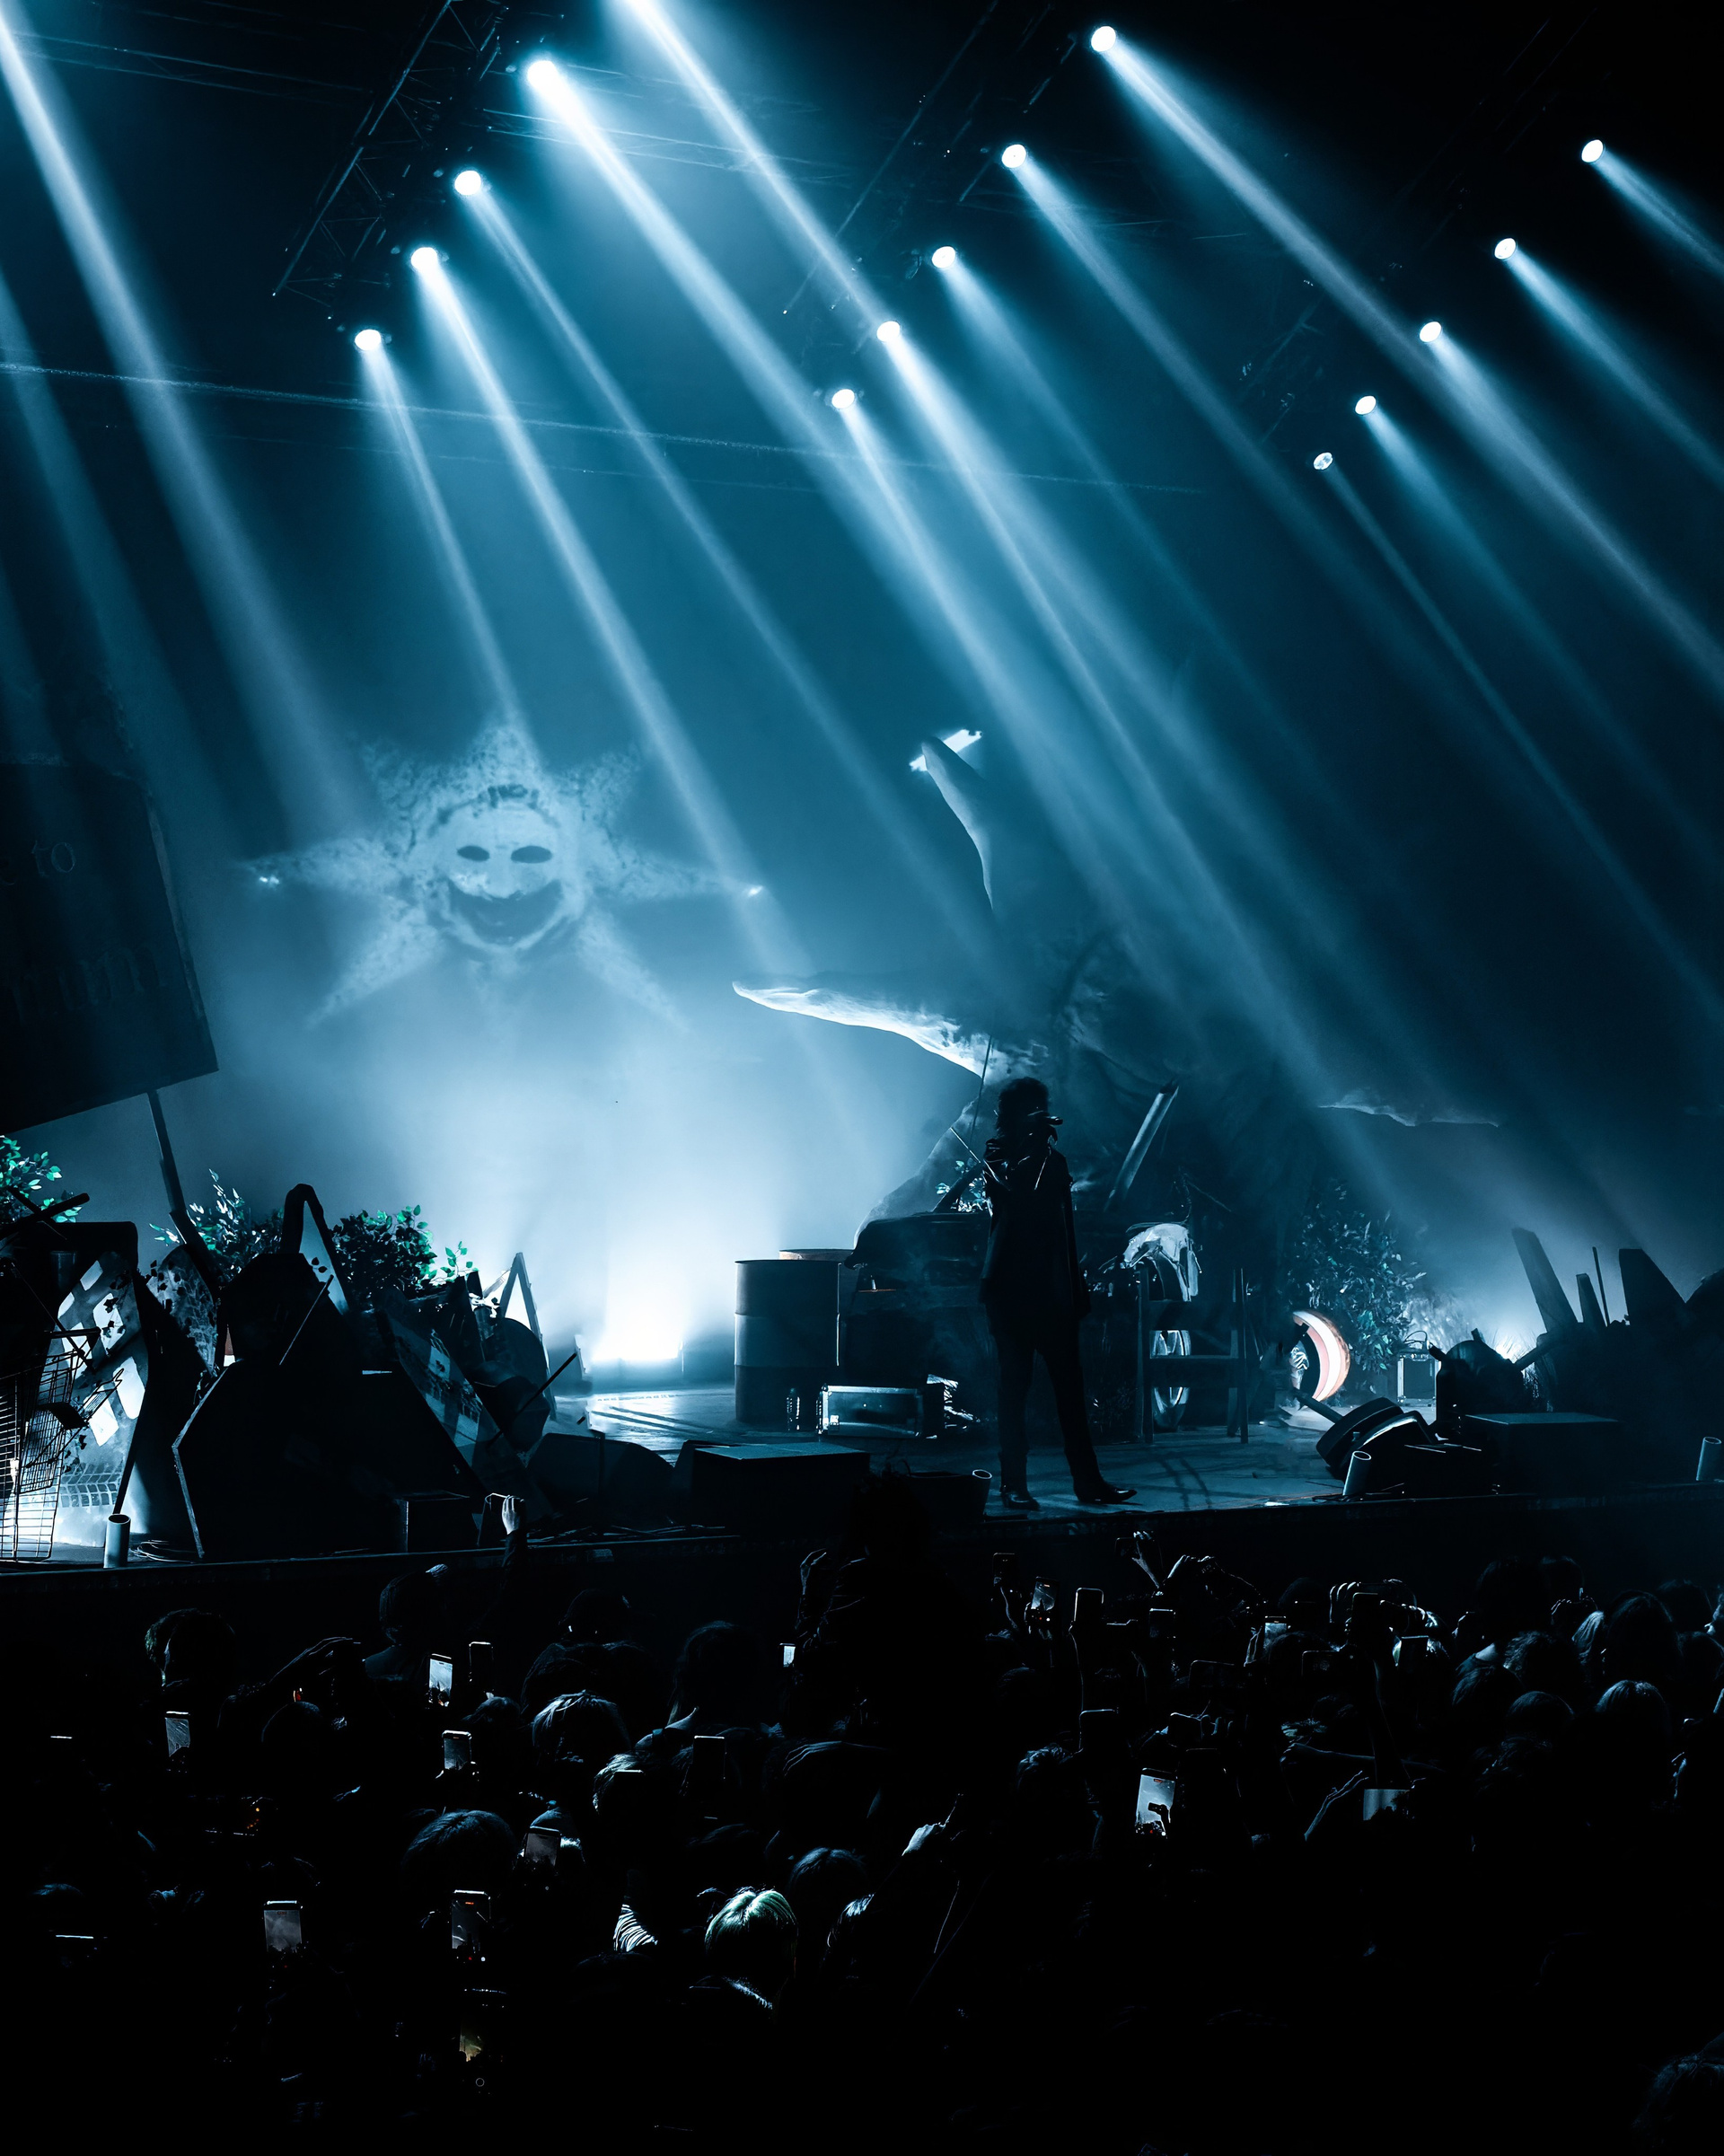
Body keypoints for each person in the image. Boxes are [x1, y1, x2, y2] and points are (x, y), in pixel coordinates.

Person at [981, 1076, 1133, 1509]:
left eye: (1042, 1106)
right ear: (1014, 1114)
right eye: (1032, 1108)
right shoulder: (998, 1156)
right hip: (1012, 1294)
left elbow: (1064, 1232)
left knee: (1071, 1395)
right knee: (1014, 1393)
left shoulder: (1052, 1158)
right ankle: (1013, 1484)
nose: (1041, 1114)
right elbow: (1019, 1190)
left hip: (1052, 1294)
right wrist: (1036, 1145)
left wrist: (1075, 1290)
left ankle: (1089, 1481)